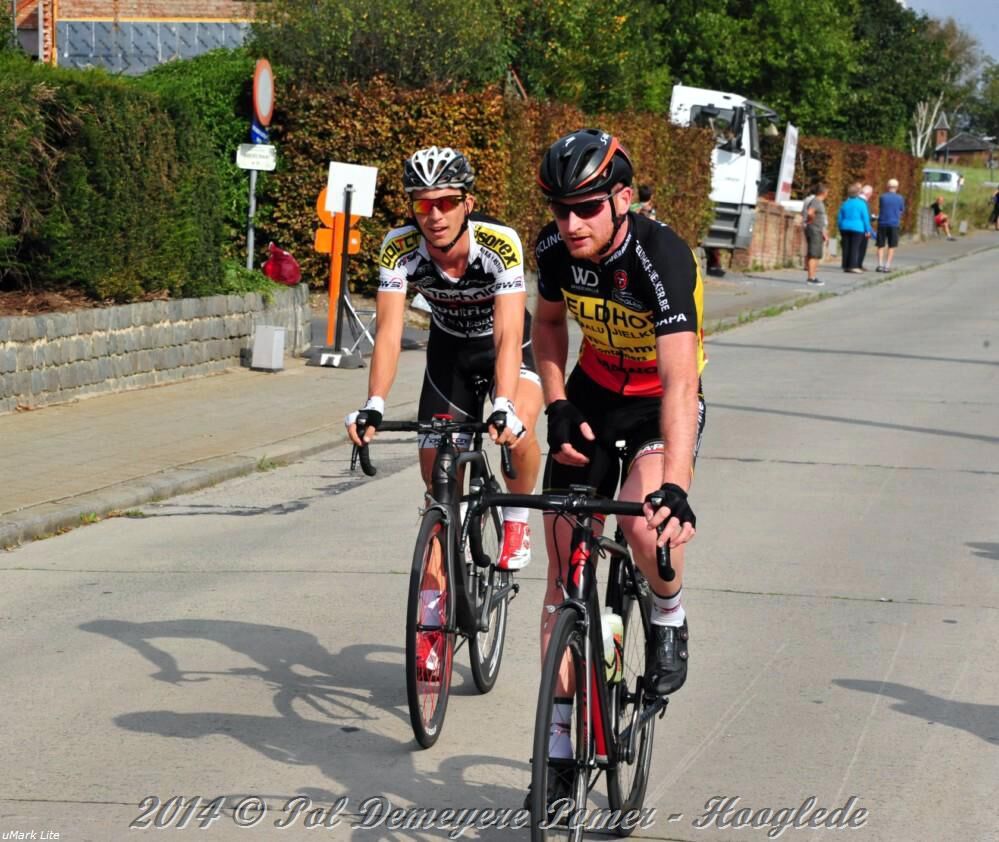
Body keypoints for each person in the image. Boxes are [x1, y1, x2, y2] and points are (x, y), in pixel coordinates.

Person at [532, 128, 705, 719]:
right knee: (562, 572)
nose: (571, 223)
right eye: (560, 209)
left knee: (643, 525)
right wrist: (557, 403)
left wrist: (675, 486)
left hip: (658, 401)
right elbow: (547, 326)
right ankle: (558, 739)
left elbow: (681, 382)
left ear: (623, 199)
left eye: (586, 208)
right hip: (594, 392)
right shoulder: (553, 249)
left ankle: (668, 612)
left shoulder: (663, 257)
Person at [346, 146, 543, 575]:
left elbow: (509, 333)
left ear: (467, 203)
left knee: (519, 429)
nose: (434, 215)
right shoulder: (398, 248)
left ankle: (516, 518)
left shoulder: (499, 242)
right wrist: (374, 402)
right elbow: (389, 332)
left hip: (504, 345)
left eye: (447, 202)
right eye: (423, 204)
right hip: (450, 353)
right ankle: (442, 577)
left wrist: (504, 403)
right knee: (437, 477)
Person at [837, 182, 873, 273]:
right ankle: (853, 266)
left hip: (845, 227)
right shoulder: (861, 204)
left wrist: (840, 226)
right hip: (858, 228)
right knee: (855, 247)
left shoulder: (844, 203)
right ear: (858, 193)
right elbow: (865, 218)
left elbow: (840, 217)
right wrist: (868, 230)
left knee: (846, 247)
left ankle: (846, 265)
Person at [802, 183, 829, 286]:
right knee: (814, 254)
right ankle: (811, 278)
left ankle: (813, 276)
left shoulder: (818, 201)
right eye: (827, 191)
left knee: (816, 254)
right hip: (814, 229)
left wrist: (823, 232)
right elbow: (810, 212)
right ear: (823, 192)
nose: (827, 193)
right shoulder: (816, 201)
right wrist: (811, 219)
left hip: (817, 229)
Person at [876, 178, 906, 272]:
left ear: (887, 186)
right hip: (894, 224)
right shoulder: (900, 198)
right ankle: (887, 266)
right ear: (897, 187)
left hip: (882, 223)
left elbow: (881, 207)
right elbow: (901, 210)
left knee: (880, 245)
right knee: (891, 245)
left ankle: (880, 265)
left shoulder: (882, 197)